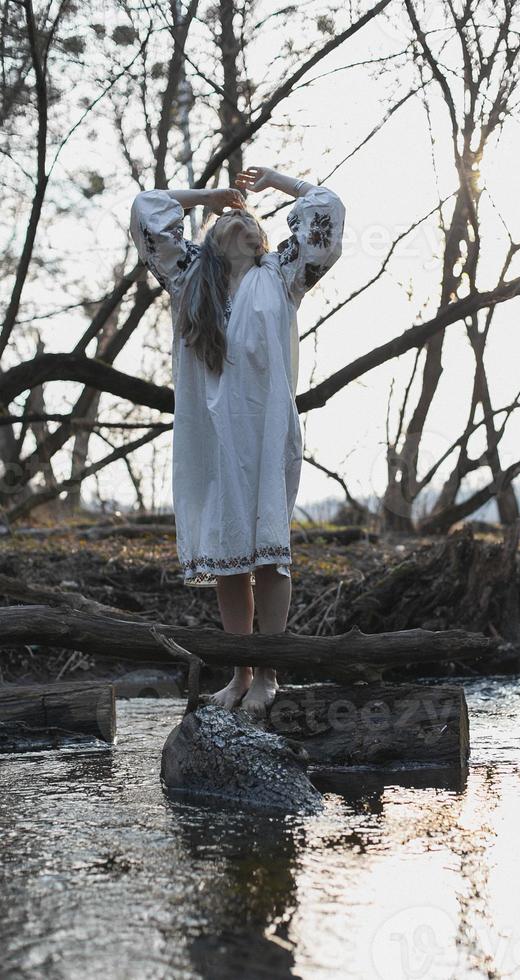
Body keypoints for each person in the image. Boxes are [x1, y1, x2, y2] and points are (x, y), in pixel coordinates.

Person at [129, 166, 346, 718]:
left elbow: (326, 207)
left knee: (270, 554)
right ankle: (239, 673)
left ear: (265, 239)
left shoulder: (284, 275)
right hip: (211, 439)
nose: (241, 220)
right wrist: (208, 195)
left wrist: (277, 182)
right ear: (209, 240)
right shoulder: (187, 279)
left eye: (250, 220)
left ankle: (269, 674)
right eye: (229, 219)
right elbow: (148, 207)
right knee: (229, 557)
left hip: (266, 431)